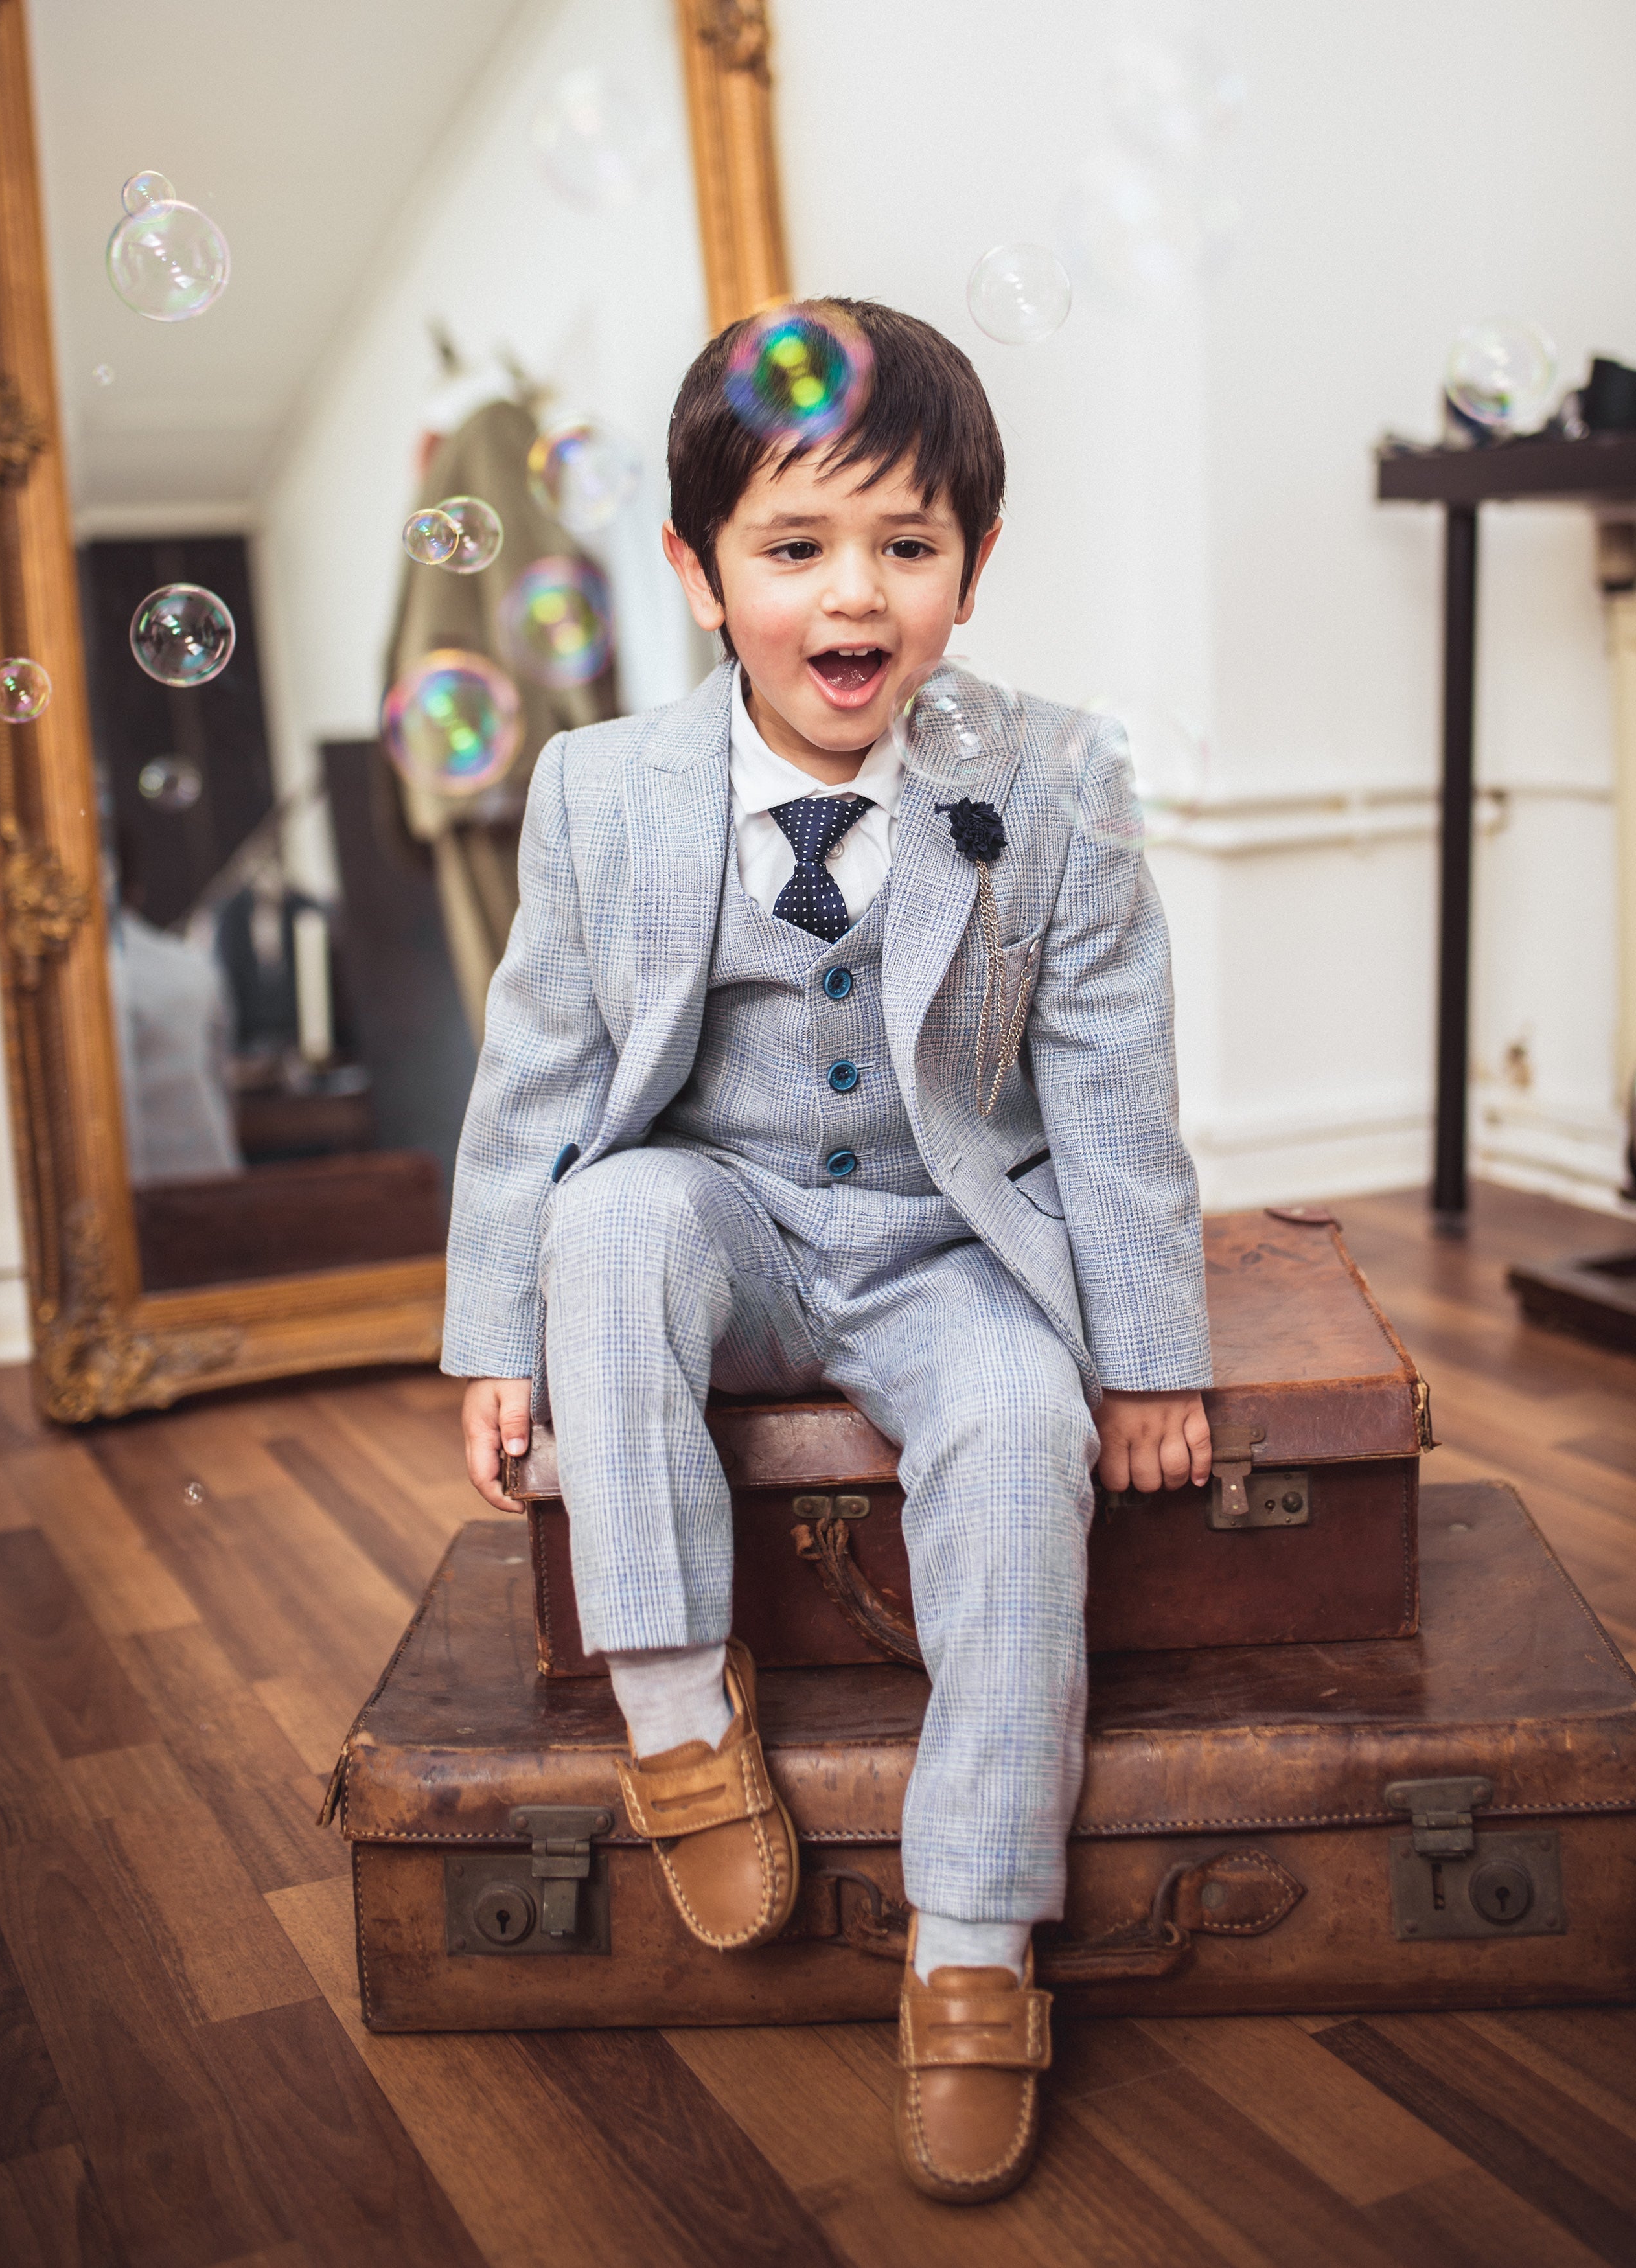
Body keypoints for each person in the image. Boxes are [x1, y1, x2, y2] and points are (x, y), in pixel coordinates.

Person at [444, 299, 1211, 2205]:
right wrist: (496, 1332)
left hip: (949, 1243)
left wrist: (1148, 1359)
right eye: (793, 547)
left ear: (975, 566)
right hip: (724, 1216)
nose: (852, 595)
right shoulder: (599, 790)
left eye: (906, 544)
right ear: (701, 571)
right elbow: (537, 1075)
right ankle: (677, 1710)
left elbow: (1113, 1090)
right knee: (608, 1217)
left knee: (1021, 1430)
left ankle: (976, 1933)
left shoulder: (1056, 782)